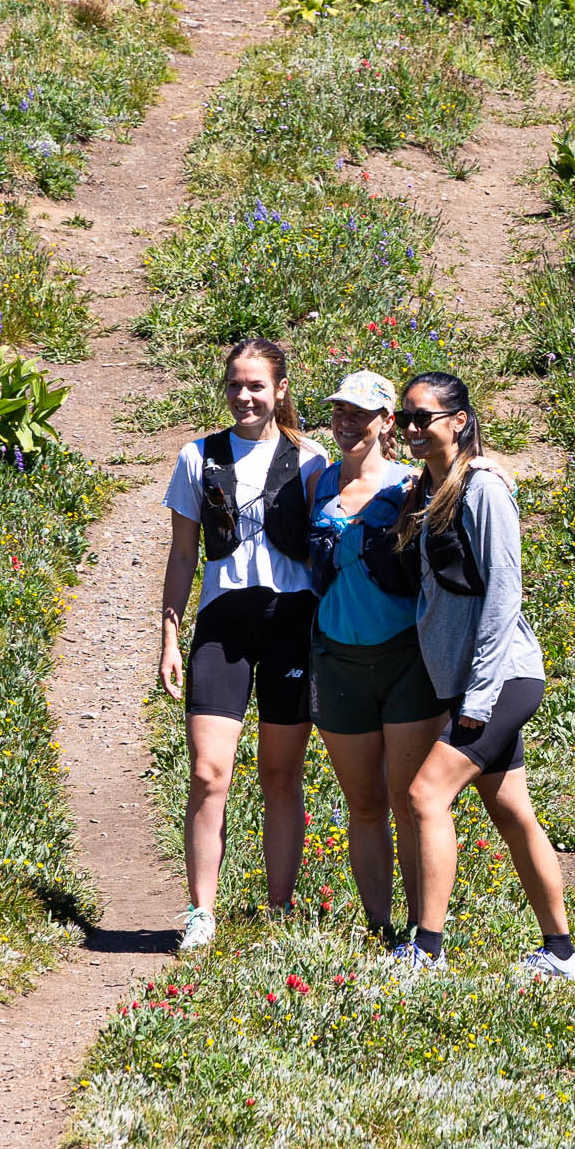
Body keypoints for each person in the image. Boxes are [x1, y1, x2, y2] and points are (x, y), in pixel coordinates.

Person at [389, 371, 575, 979]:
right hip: (466, 681)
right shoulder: (427, 487)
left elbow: (504, 595)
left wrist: (478, 693)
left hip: (500, 679)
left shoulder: (483, 491)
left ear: (460, 421)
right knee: (511, 812)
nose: (413, 428)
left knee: (425, 795)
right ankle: (561, 953)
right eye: (406, 418)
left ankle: (427, 949)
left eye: (425, 417)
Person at [159, 338, 327, 951]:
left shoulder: (311, 460)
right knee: (208, 772)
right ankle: (201, 910)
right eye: (235, 384)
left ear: (281, 388)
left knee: (281, 774)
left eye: (256, 385)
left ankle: (278, 909)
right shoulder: (196, 457)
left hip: (292, 618)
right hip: (222, 622)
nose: (245, 396)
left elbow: (328, 544)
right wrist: (170, 635)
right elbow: (182, 554)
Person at [307, 371, 447, 945]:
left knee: (407, 800)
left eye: (361, 415)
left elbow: (474, 476)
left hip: (404, 659)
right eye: (340, 412)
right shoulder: (314, 483)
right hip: (336, 659)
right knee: (362, 803)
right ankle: (378, 929)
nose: (347, 424)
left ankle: (421, 931)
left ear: (388, 421)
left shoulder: (413, 485)